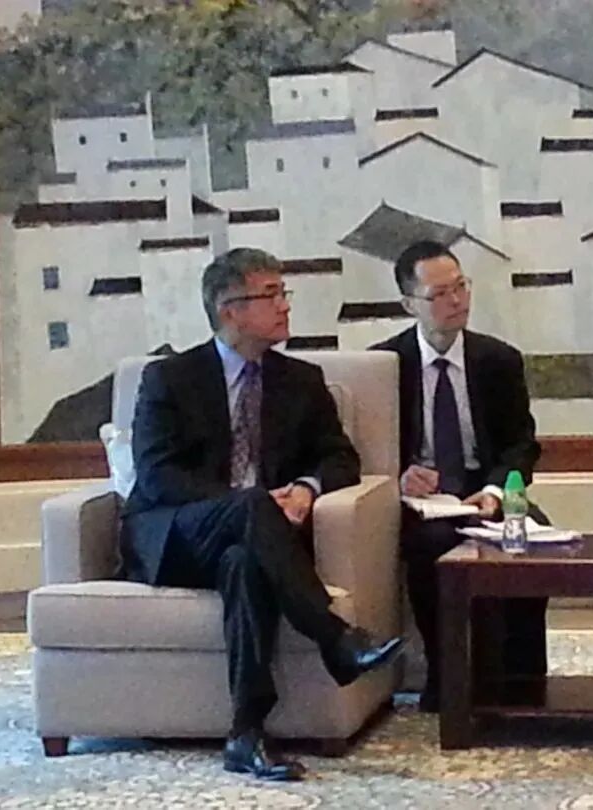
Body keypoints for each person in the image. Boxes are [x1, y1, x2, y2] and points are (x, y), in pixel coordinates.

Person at [120, 248, 402, 781]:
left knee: (244, 565)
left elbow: (340, 458)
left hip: (257, 539)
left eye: (282, 292)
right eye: (271, 294)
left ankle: (246, 734)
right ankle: (335, 637)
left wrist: (306, 489)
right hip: (176, 536)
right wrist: (242, 502)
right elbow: (157, 476)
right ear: (230, 309)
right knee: (249, 504)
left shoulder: (302, 380)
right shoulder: (169, 378)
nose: (285, 305)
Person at [371, 240, 547, 713]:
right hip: (423, 501)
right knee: (430, 544)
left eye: (461, 287)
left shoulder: (499, 360)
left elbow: (522, 444)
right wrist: (399, 476)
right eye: (440, 294)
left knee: (535, 534)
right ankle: (447, 678)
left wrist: (493, 490)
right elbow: (367, 453)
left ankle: (523, 680)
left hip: (484, 489)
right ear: (409, 304)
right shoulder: (385, 365)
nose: (456, 301)